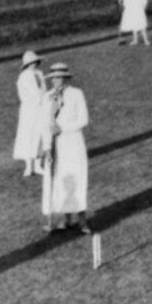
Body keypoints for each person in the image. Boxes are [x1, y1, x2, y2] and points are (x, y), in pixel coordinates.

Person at [40, 63, 91, 233]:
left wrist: (64, 128)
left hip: (74, 142)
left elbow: (83, 119)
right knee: (60, 179)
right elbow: (45, 124)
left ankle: (82, 221)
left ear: (66, 78)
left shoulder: (76, 94)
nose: (56, 80)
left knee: (77, 178)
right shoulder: (47, 97)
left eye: (59, 77)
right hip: (57, 145)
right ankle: (65, 219)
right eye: (53, 77)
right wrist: (46, 146)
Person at [13, 51, 47, 177]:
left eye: (35, 62)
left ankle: (38, 165)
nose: (33, 64)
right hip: (29, 110)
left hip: (41, 108)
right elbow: (30, 94)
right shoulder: (24, 77)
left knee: (40, 135)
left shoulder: (39, 73)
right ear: (27, 64)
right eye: (31, 63)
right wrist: (38, 99)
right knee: (28, 136)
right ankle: (29, 166)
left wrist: (45, 101)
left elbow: (43, 90)